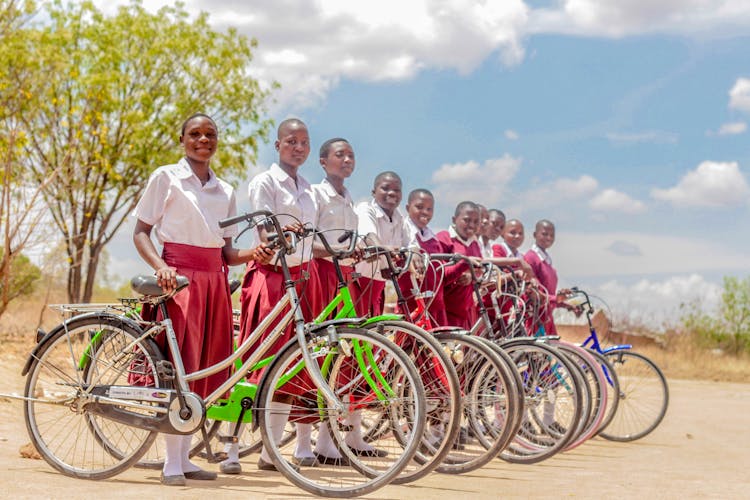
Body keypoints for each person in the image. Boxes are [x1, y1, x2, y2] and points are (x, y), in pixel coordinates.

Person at [132, 113, 274, 486]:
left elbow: (226, 253)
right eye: (194, 134)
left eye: (209, 134)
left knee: (203, 368)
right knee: (179, 367)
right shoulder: (166, 177)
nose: (202, 140)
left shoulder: (225, 191)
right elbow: (141, 232)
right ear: (182, 139)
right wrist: (160, 265)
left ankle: (186, 456)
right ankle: (171, 463)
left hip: (214, 281)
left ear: (216, 141)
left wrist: (253, 253)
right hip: (177, 279)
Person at [230, 117, 316, 474]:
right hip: (270, 277)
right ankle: (231, 446)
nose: (298, 147)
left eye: (304, 142)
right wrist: (274, 237)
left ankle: (271, 453)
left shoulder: (308, 188)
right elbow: (264, 229)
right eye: (291, 141)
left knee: (291, 367)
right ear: (277, 145)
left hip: (302, 280)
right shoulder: (264, 182)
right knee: (257, 362)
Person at [352, 171, 412, 317]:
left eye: (396, 190)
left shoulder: (400, 219)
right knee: (356, 330)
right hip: (358, 281)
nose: (391, 193)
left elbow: (409, 243)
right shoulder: (366, 209)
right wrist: (385, 255)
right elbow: (369, 235)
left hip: (379, 283)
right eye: (385, 188)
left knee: (374, 329)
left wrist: (414, 253)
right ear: (374, 192)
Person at [399, 188, 459, 327]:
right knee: (410, 344)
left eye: (429, 209)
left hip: (435, 302)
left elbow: (440, 274)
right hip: (413, 301)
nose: (425, 212)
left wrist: (463, 264)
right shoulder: (404, 232)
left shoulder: (433, 238)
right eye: (419, 207)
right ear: (408, 208)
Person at [436, 201, 483, 330]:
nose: (471, 225)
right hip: (446, 309)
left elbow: (480, 269)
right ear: (454, 219)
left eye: (476, 222)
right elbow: (439, 274)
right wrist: (463, 265)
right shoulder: (443, 238)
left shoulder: (474, 243)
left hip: (466, 310)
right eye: (467, 220)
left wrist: (471, 276)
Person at [524, 219, 571, 335]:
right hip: (535, 318)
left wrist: (565, 303)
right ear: (535, 235)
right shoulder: (531, 258)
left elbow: (548, 293)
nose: (549, 238)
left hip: (546, 316)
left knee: (553, 350)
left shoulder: (546, 260)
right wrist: (556, 299)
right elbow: (534, 293)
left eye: (552, 235)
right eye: (545, 234)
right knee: (537, 351)